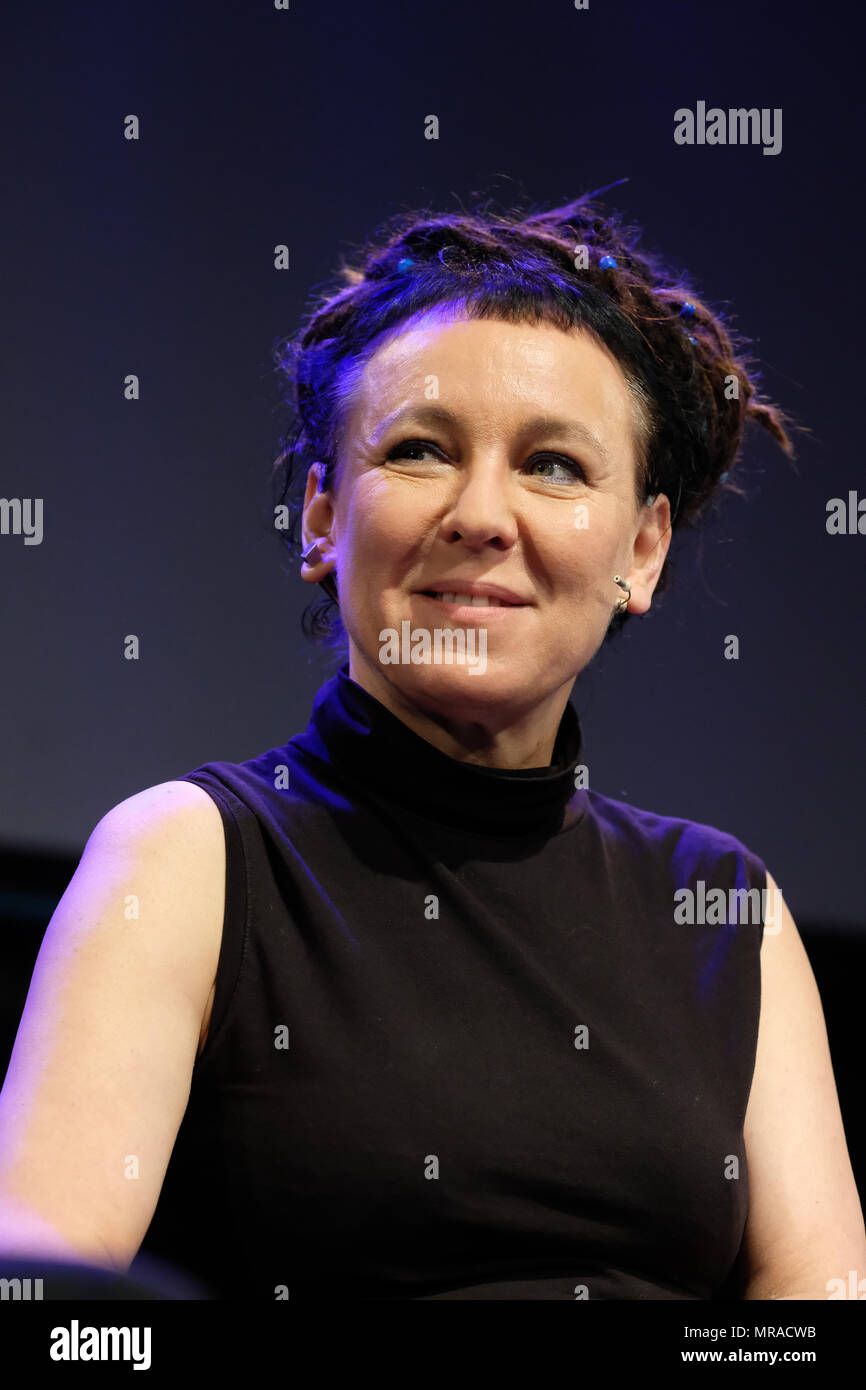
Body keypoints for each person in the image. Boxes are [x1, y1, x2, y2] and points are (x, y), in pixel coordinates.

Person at [1, 191, 864, 1301]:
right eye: (417, 450)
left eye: (552, 464)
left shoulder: (720, 906)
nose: (481, 514)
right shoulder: (189, 859)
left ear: (638, 553)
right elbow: (49, 1301)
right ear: (321, 519)